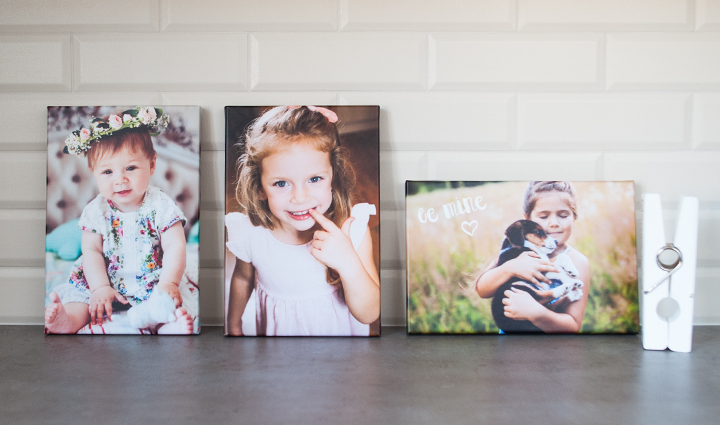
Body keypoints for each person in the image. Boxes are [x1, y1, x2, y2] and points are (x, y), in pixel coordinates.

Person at [225, 105, 380, 336]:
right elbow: (241, 279)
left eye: (314, 179)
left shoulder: (352, 233)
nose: (300, 198)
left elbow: (369, 314)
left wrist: (348, 262)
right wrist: (233, 324)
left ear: (332, 178)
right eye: (281, 183)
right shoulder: (251, 234)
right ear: (259, 188)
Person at [45, 107, 193, 334]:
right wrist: (101, 288)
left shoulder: (161, 204)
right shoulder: (96, 210)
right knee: (82, 302)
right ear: (93, 172)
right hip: (101, 280)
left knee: (165, 302)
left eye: (131, 168)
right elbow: (92, 251)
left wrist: (169, 283)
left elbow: (175, 245)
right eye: (107, 172)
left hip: (150, 279)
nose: (120, 180)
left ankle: (168, 324)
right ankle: (68, 321)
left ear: (152, 164)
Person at [475, 181, 590, 333]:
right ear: (527, 220)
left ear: (574, 217)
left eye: (563, 215)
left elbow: (573, 326)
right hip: (511, 346)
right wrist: (509, 269)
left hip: (551, 350)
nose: (554, 223)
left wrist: (536, 313)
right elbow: (482, 290)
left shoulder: (577, 261)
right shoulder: (517, 251)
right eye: (543, 216)